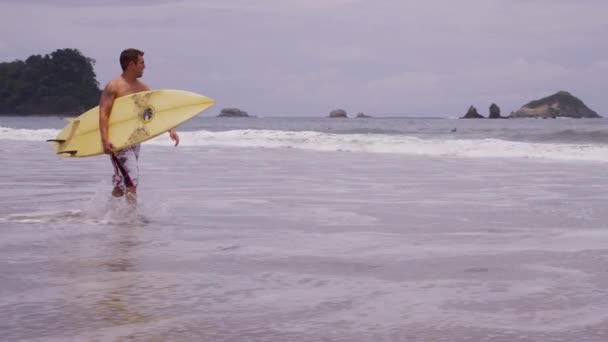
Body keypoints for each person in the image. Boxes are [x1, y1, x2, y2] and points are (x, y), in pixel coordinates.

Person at [99, 48, 179, 200]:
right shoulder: (114, 86)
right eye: (142, 62)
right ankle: (131, 219)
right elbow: (103, 113)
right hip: (118, 140)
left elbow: (154, 111)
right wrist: (105, 140)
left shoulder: (142, 88)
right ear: (131, 64)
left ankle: (111, 213)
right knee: (132, 178)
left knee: (124, 181)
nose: (145, 66)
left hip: (135, 139)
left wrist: (170, 129)